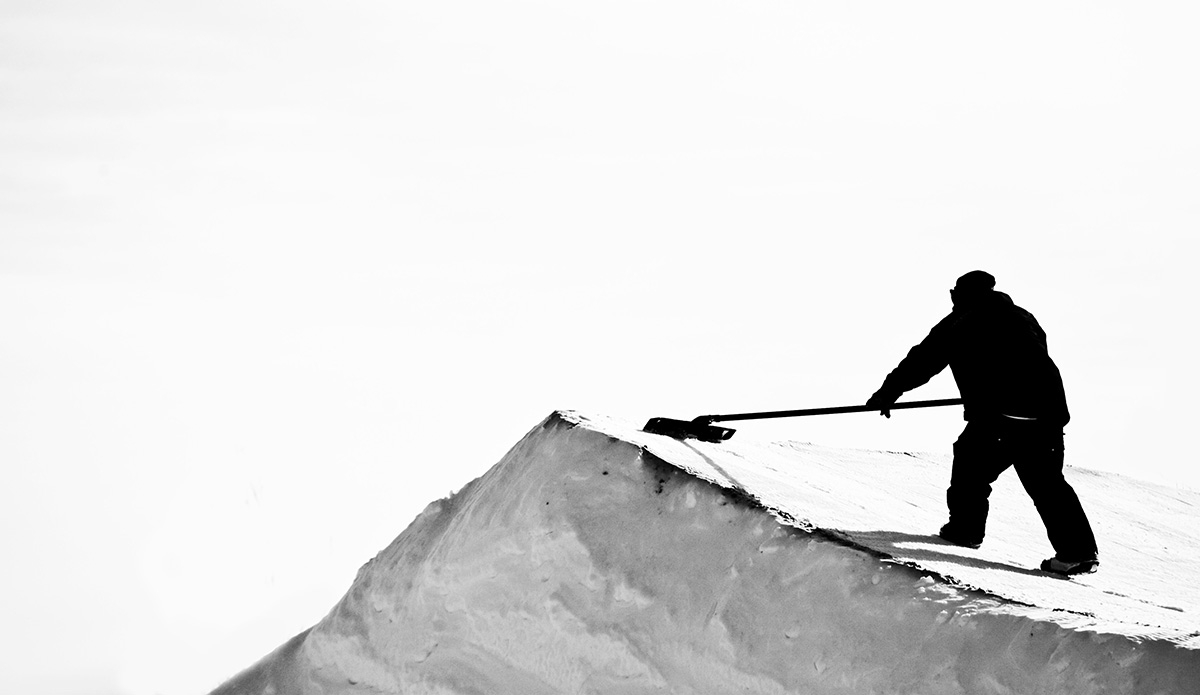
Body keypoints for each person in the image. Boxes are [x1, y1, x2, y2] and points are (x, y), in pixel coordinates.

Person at [866, 271, 1099, 576]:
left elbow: (923, 360)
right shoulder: (1023, 317)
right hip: (1045, 417)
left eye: (953, 294)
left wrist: (888, 393)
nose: (952, 300)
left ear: (961, 294)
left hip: (999, 418)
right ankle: (1078, 552)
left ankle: (965, 530)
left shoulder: (961, 321)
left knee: (969, 465)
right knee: (1047, 484)